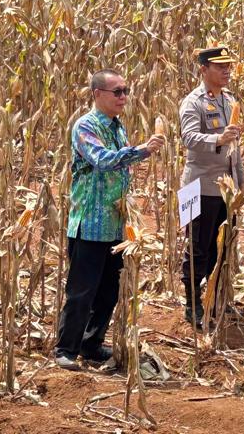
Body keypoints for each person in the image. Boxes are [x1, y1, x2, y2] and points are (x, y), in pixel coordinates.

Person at [56, 69, 165, 370]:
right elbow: (102, 161)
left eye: (126, 91)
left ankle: (91, 344)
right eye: (116, 92)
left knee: (108, 292)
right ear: (97, 94)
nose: (123, 97)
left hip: (116, 224)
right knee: (82, 291)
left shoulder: (118, 127)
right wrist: (141, 151)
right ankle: (66, 349)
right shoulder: (85, 126)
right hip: (90, 224)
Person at [178, 46, 244, 328]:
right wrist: (217, 139)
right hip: (200, 185)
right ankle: (193, 304)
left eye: (228, 66)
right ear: (204, 69)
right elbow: (189, 138)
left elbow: (234, 148)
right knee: (197, 248)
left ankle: (217, 298)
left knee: (223, 247)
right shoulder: (192, 102)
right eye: (220, 67)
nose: (226, 71)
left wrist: (240, 182)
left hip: (226, 188)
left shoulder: (229, 100)